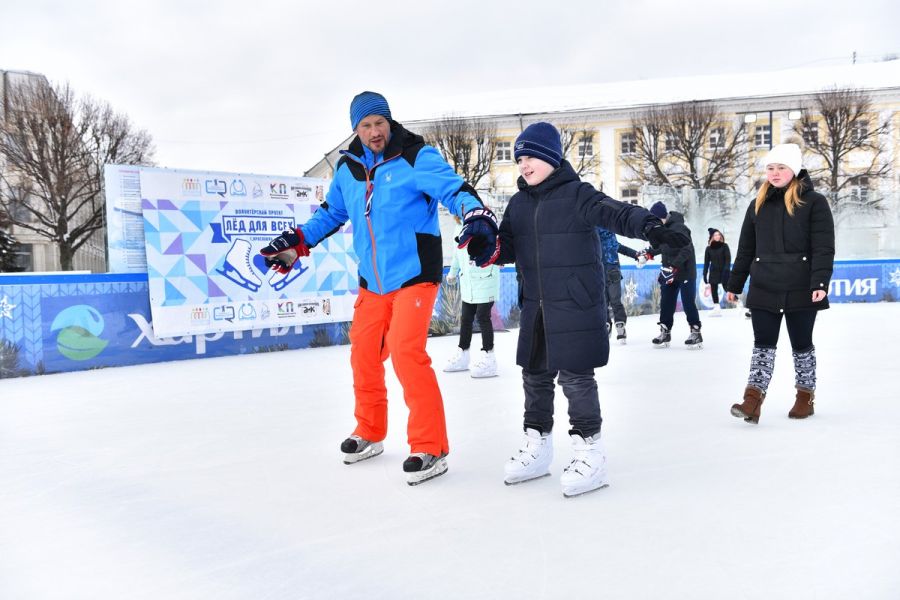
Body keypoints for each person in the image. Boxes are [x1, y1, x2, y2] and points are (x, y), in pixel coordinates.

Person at [260, 91, 491, 485]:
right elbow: (332, 213)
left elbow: (454, 189)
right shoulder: (348, 169)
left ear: (389, 121)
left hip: (416, 275)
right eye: (365, 126)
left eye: (379, 123)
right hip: (373, 281)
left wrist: (475, 213)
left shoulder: (416, 157)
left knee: (405, 352)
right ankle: (369, 431)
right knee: (364, 354)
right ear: (355, 129)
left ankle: (431, 447)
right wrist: (297, 243)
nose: (374, 132)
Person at [459, 122, 688, 497]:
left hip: (576, 305)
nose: (523, 164)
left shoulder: (579, 195)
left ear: (551, 157)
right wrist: (487, 249)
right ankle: (538, 445)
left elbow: (617, 213)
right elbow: (507, 248)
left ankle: (590, 450)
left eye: (530, 156)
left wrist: (651, 227)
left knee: (576, 379)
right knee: (534, 376)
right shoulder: (518, 204)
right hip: (536, 306)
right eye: (518, 158)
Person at [725, 143, 834, 424]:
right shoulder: (757, 203)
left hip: (801, 285)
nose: (774, 173)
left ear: (794, 170)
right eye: (770, 168)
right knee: (763, 344)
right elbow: (746, 250)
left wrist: (819, 281)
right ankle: (752, 401)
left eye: (781, 167)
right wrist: (734, 285)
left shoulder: (814, 202)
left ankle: (804, 397)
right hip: (764, 285)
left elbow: (823, 247)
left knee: (801, 344)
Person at [443, 216, 501, 378]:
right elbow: (457, 254)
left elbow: (495, 248)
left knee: (483, 317)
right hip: (468, 281)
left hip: (485, 278)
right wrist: (453, 272)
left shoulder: (483, 223)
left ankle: (489, 355)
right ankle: (463, 352)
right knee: (466, 318)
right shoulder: (459, 227)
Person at [647, 201, 703, 348]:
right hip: (669, 272)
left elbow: (687, 249)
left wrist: (674, 265)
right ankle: (665, 331)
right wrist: (649, 253)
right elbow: (661, 246)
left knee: (687, 302)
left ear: (661, 217)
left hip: (684, 272)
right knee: (666, 301)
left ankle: (696, 332)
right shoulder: (662, 228)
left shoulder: (679, 227)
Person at [597, 227, 642, 343]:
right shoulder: (592, 239)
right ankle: (607, 324)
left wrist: (636, 255)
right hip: (599, 272)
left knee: (614, 300)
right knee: (604, 301)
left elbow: (620, 247)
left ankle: (619, 324)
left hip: (612, 271)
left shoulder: (609, 236)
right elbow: (621, 247)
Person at [703, 228, 732, 317]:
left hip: (724, 271)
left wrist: (726, 270)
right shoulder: (708, 249)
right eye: (715, 235)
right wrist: (704, 273)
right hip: (714, 272)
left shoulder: (725, 246)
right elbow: (707, 262)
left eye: (719, 234)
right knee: (714, 289)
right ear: (712, 237)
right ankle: (716, 308)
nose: (718, 236)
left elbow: (728, 259)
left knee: (727, 288)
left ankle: (738, 303)